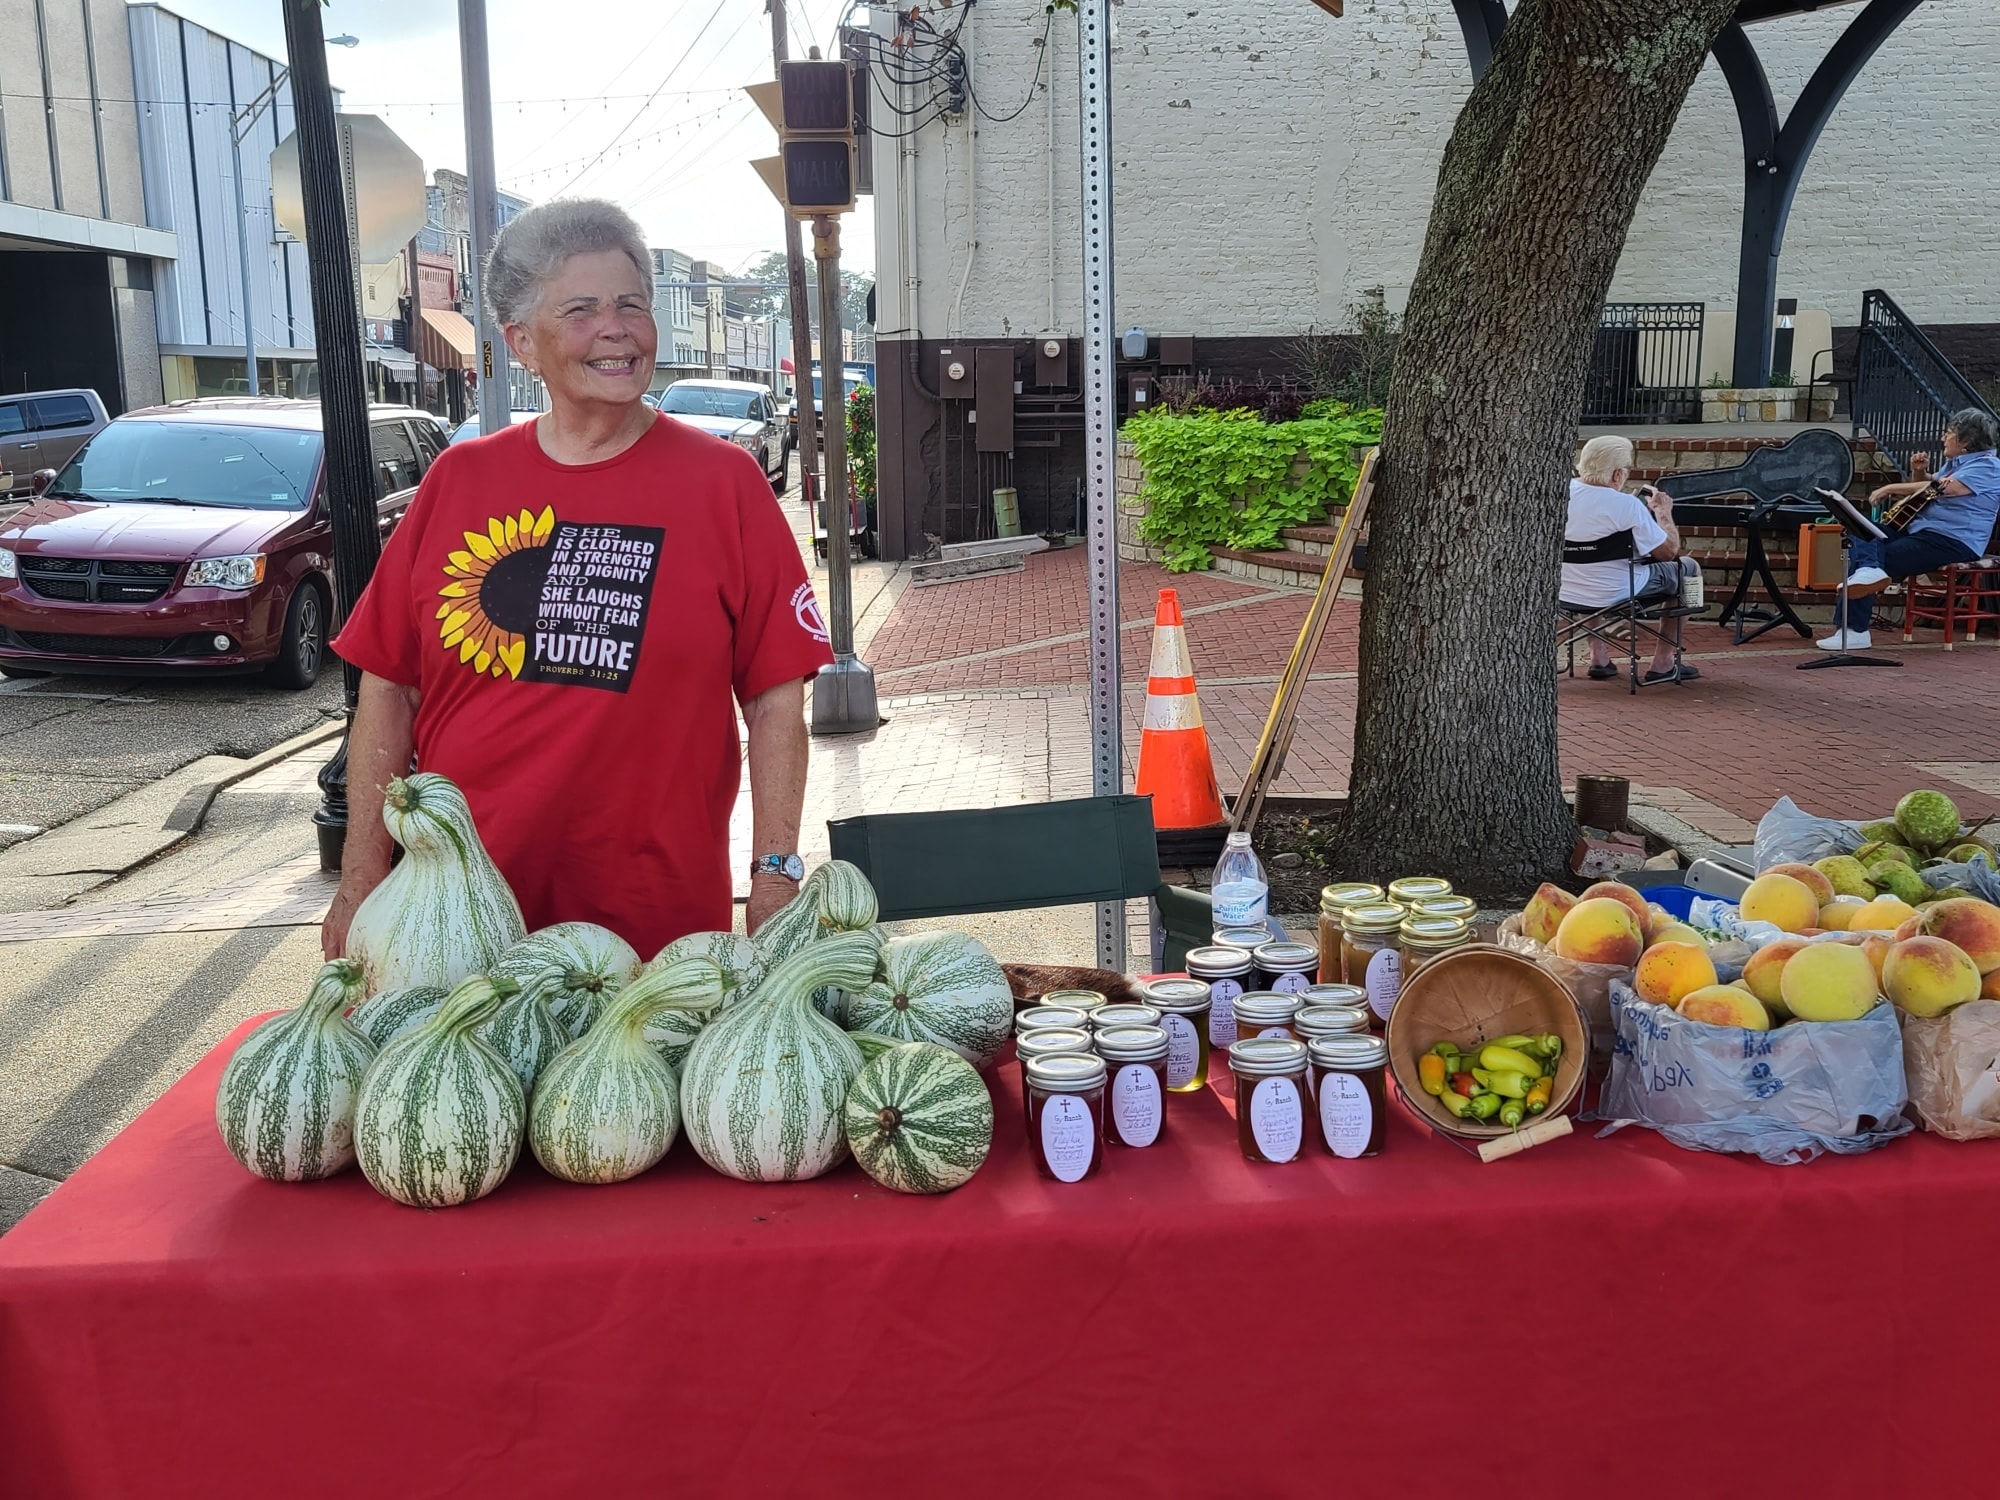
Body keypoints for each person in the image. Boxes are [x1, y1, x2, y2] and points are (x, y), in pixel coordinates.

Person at [321, 199, 833, 961]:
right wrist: (360, 875)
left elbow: (774, 697)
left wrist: (777, 871)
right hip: (455, 924)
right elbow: (387, 689)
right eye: (582, 310)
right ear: (523, 343)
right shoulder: (461, 481)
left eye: (631, 304)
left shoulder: (723, 484)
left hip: (654, 928)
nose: (616, 327)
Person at [1819, 407, 2000, 650]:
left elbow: (1944, 489)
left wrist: (1890, 488)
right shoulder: (1955, 463)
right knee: (1860, 528)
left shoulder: (1990, 467)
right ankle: (1858, 612)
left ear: (1965, 441)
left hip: (1953, 541)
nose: (1943, 438)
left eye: (1949, 433)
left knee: (1872, 558)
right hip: (1919, 530)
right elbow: (1924, 488)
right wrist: (1918, 472)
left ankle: (1854, 629)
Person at [1561, 434, 1701, 684]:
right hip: (1620, 591)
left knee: (1593, 573)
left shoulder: (1561, 495)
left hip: (1567, 591)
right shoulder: (1628, 505)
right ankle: (1664, 661)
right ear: (1617, 475)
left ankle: (1598, 656)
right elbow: (1668, 553)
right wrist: (1662, 513)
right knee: (1690, 569)